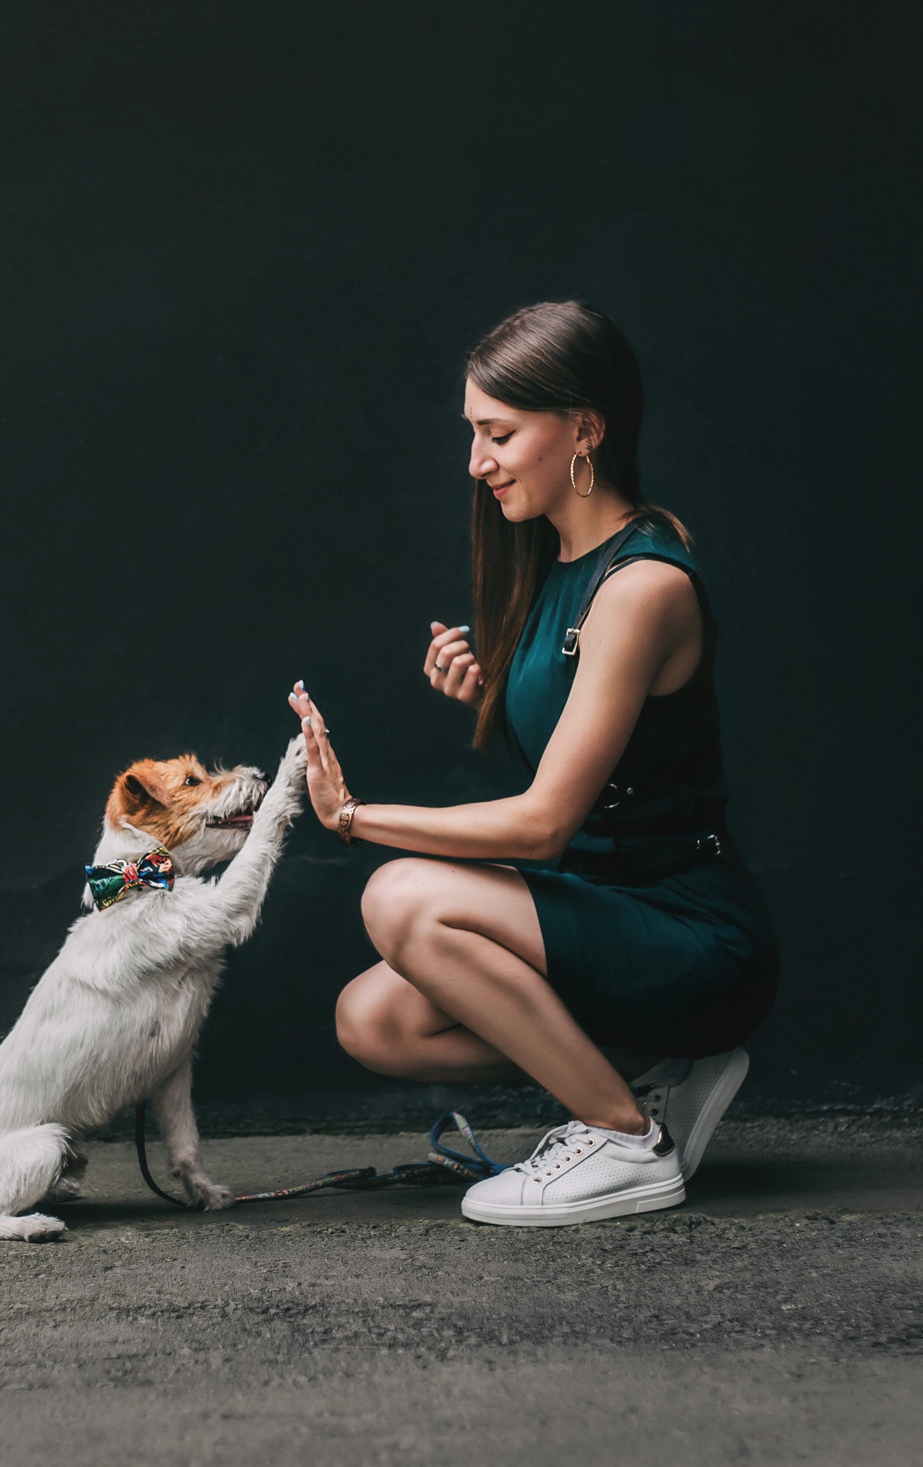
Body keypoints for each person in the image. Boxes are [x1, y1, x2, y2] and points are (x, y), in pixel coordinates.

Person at [285, 300, 779, 1228]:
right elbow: (616, 763)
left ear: (584, 429)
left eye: (499, 433)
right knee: (374, 1018)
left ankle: (624, 1137)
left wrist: (352, 816)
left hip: (686, 931)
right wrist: (493, 700)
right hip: (603, 911)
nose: (477, 461)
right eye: (473, 432)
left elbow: (546, 823)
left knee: (399, 896)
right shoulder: (559, 562)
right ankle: (649, 1071)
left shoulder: (641, 584)